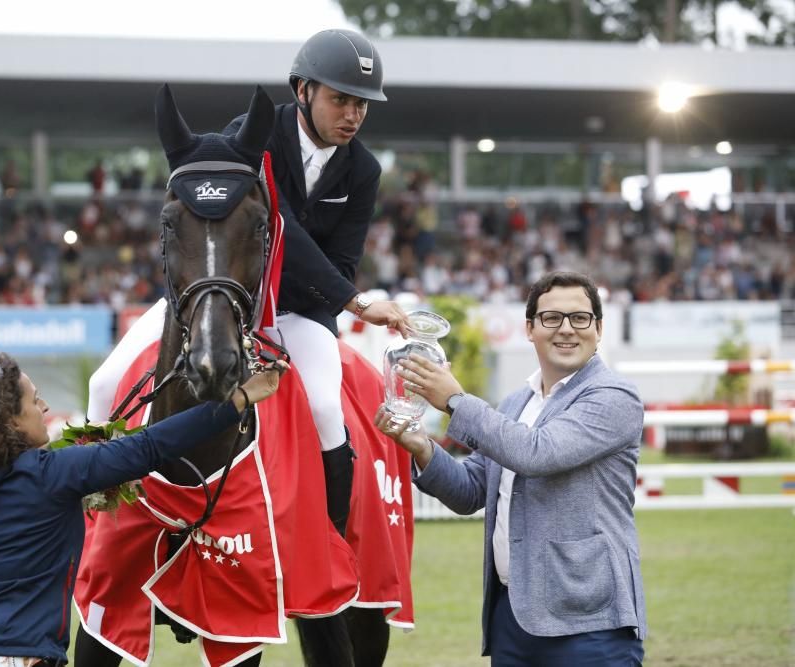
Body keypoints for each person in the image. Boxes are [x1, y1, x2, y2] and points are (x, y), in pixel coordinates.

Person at [0, 352, 287, 667]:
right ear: (11, 423)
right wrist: (240, 398)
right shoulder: (50, 475)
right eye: (34, 402)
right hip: (16, 656)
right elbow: (150, 447)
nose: (45, 408)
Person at [376, 271, 647, 666]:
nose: (567, 329)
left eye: (580, 318)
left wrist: (455, 399)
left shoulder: (613, 396)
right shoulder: (516, 402)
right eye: (552, 318)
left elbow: (536, 453)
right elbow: (471, 490)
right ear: (530, 329)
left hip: (589, 619)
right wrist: (421, 446)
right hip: (513, 618)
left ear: (599, 329)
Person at [224, 28, 411, 536]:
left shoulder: (364, 170)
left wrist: (340, 296)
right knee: (109, 382)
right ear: (302, 90)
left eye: (362, 105)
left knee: (329, 409)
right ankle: (106, 512)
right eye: (341, 100)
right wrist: (355, 301)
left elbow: (344, 259)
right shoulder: (253, 134)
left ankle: (330, 538)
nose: (353, 115)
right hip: (224, 300)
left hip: (298, 314)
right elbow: (276, 222)